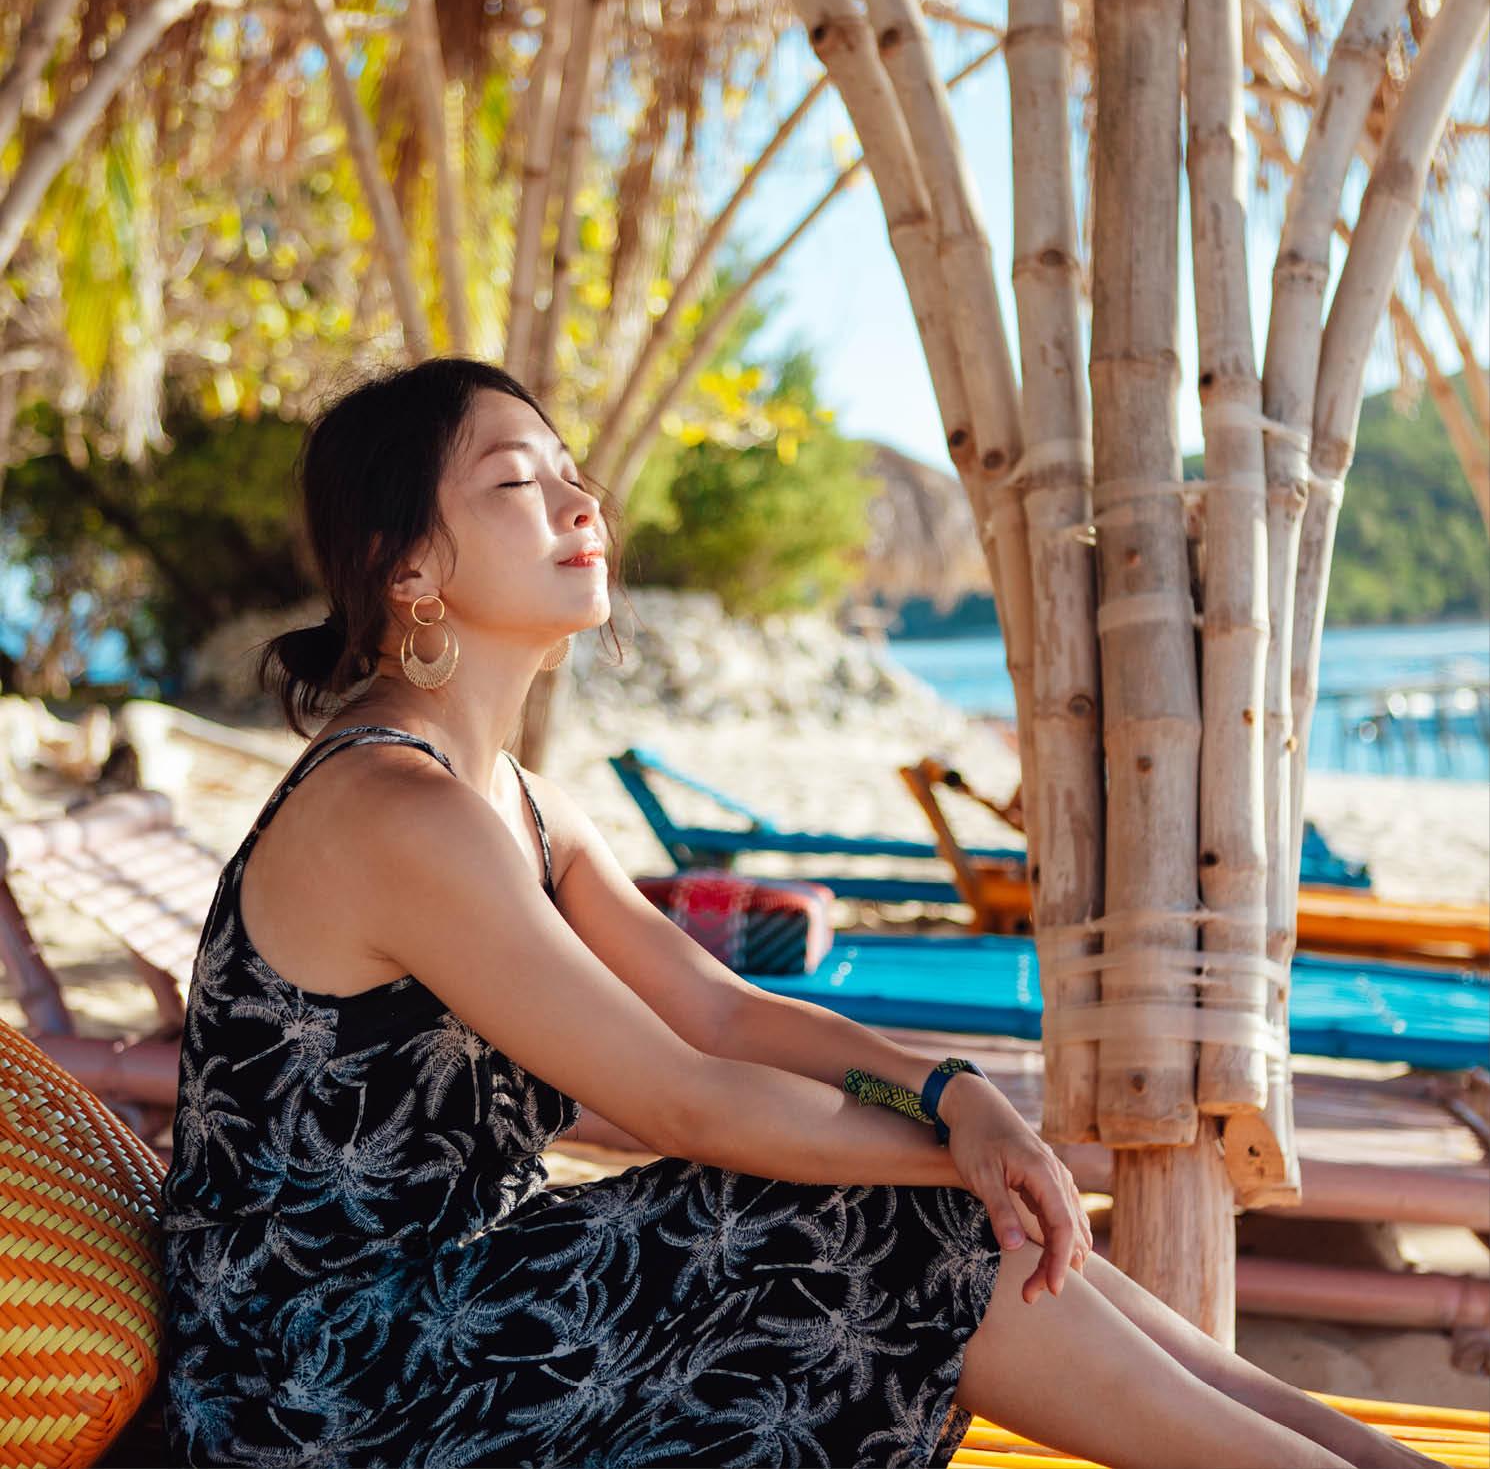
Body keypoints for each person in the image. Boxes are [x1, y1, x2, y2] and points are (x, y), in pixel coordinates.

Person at [159, 357, 1428, 1469]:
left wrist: (950, 1094)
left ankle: (1353, 1450)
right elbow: (682, 1097)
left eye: (570, 471)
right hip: (316, 1387)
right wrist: (966, 1160)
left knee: (920, 1201)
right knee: (903, 1216)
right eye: (516, 483)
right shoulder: (393, 806)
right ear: (410, 566)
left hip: (449, 1310)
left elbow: (720, 1009)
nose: (580, 504)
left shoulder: (521, 802)